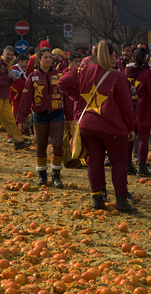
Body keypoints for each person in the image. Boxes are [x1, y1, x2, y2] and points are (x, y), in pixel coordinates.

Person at [59, 40, 137, 212]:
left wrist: (78, 98)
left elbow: (62, 82)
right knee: (118, 164)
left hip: (88, 124)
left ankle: (97, 200)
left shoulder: (83, 71)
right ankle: (121, 202)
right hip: (112, 126)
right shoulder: (117, 76)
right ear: (109, 55)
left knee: (94, 162)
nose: (116, 58)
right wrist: (131, 127)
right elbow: (126, 106)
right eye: (114, 55)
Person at [17, 48, 65, 188]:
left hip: (57, 112)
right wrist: (21, 119)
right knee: (41, 145)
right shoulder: (32, 76)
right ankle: (42, 175)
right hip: (39, 114)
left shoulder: (60, 75)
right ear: (39, 59)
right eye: (45, 57)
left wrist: (70, 116)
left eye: (50, 57)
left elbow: (66, 97)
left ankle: (56, 175)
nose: (49, 60)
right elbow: (26, 98)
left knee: (57, 144)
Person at [126, 48, 151, 176]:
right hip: (143, 108)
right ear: (145, 58)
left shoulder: (126, 72)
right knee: (143, 138)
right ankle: (141, 167)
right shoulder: (146, 73)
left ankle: (128, 164)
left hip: (129, 107)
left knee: (130, 136)